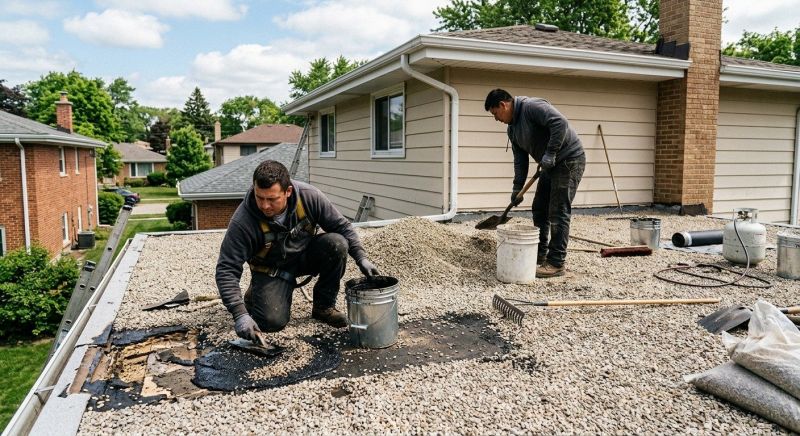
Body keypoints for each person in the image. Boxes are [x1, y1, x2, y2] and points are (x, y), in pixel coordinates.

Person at [215, 160, 379, 344]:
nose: (264, 205)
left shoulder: (310, 197)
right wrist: (239, 314)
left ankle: (323, 307)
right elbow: (226, 269)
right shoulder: (243, 221)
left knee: (337, 243)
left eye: (272, 199)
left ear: (288, 192)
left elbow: (342, 227)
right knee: (271, 323)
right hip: (271, 270)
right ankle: (256, 293)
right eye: (259, 197)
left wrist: (361, 258)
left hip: (304, 257)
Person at [484, 88, 585, 278]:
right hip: (548, 165)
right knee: (539, 208)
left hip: (569, 159)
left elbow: (560, 123)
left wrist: (550, 153)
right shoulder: (512, 129)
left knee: (558, 210)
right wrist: (517, 188)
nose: (496, 118)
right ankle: (540, 254)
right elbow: (520, 160)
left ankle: (556, 263)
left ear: (503, 105)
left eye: (495, 113)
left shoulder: (531, 107)